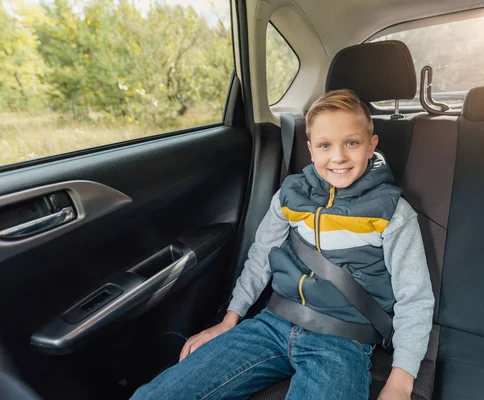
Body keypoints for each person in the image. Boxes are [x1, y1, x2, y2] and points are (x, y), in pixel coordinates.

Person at [131, 89, 434, 400]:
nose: (338, 156)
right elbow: (261, 256)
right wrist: (229, 319)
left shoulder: (391, 212)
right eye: (325, 145)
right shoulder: (291, 196)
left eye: (352, 143)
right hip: (270, 324)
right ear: (311, 150)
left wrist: (401, 380)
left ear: (371, 146)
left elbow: (415, 298)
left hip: (344, 340)